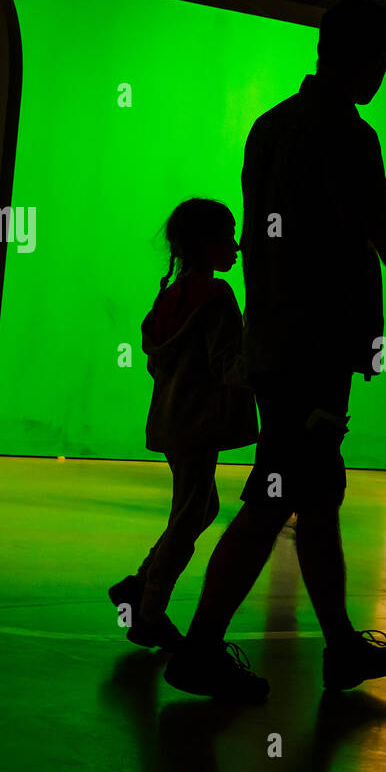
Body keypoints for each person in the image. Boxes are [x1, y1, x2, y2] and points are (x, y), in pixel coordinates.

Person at [163, 0, 386, 701]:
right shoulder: (348, 136)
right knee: (274, 497)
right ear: (363, 56)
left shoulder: (269, 129)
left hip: (278, 349)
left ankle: (342, 647)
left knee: (316, 496)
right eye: (381, 57)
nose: (383, 72)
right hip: (314, 357)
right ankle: (200, 651)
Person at [109, 198, 256, 649]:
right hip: (200, 424)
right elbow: (227, 366)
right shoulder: (217, 296)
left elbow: (161, 363)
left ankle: (138, 583)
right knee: (191, 513)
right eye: (228, 235)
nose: (237, 246)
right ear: (206, 243)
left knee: (201, 508)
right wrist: (268, 359)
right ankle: (149, 611)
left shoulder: (169, 297)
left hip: (171, 422)